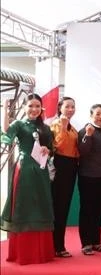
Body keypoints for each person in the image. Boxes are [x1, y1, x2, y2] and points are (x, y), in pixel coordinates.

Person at [1, 94, 55, 265]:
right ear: (25, 107)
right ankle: (23, 253)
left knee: (41, 204)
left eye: (37, 106)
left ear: (41, 108)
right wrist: (4, 110)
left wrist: (48, 150)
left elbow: (52, 148)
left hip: (41, 170)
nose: (34, 109)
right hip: (24, 169)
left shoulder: (46, 128)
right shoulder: (19, 125)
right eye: (31, 106)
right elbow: (6, 136)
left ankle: (42, 253)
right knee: (24, 205)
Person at [78, 104, 101, 255]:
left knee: (99, 211)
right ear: (91, 115)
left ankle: (96, 241)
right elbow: (83, 152)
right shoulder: (85, 130)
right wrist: (87, 135)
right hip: (88, 177)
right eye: (98, 114)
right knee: (87, 210)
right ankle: (86, 243)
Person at [50, 96, 79, 258]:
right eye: (67, 106)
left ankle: (58, 245)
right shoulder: (57, 124)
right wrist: (63, 126)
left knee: (64, 207)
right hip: (60, 166)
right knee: (58, 207)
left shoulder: (73, 127)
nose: (70, 109)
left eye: (73, 107)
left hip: (71, 167)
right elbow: (58, 145)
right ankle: (56, 246)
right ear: (60, 107)